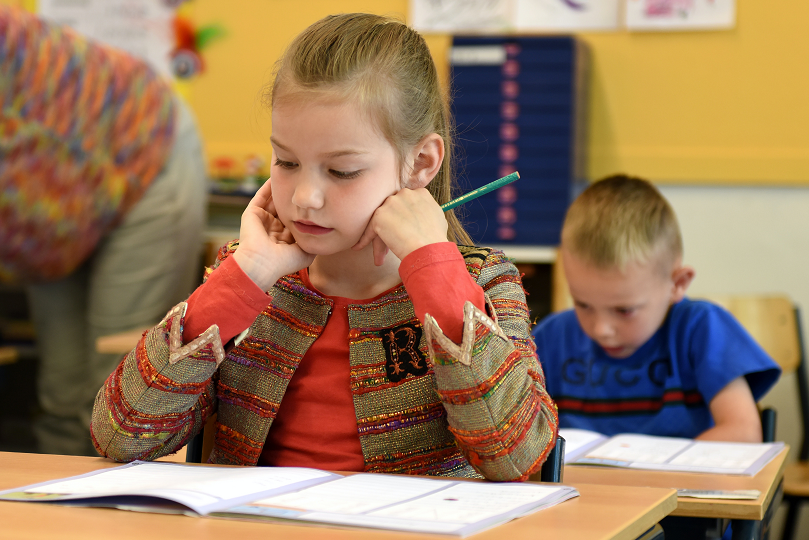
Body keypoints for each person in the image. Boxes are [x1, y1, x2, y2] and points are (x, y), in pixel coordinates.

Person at [91, 12, 559, 480]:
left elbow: (514, 455)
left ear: (420, 163)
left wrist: (433, 267)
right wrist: (247, 272)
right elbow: (121, 434)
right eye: (286, 161)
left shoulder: (482, 282)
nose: (304, 197)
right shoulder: (254, 281)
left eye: (341, 171)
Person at [0, 3, 207, 455]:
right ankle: (47, 524)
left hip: (141, 156)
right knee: (61, 397)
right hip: (48, 220)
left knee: (118, 395)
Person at [533, 175, 780, 441]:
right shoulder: (550, 338)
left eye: (624, 310)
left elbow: (743, 433)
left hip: (682, 481)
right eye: (582, 304)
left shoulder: (701, 328)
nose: (601, 329)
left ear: (677, 283)